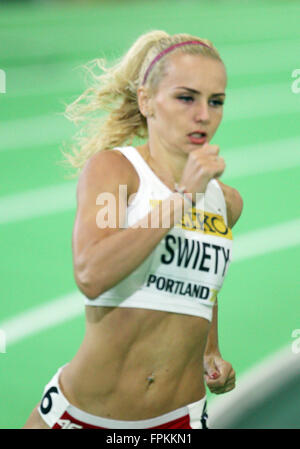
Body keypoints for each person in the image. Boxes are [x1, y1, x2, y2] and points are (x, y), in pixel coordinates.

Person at [23, 30, 243, 429]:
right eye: (185, 97)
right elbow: (92, 273)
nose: (203, 115)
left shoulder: (225, 202)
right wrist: (181, 199)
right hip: (82, 418)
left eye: (216, 102)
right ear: (146, 101)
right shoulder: (117, 173)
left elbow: (201, 285)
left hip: (178, 422)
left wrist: (211, 352)